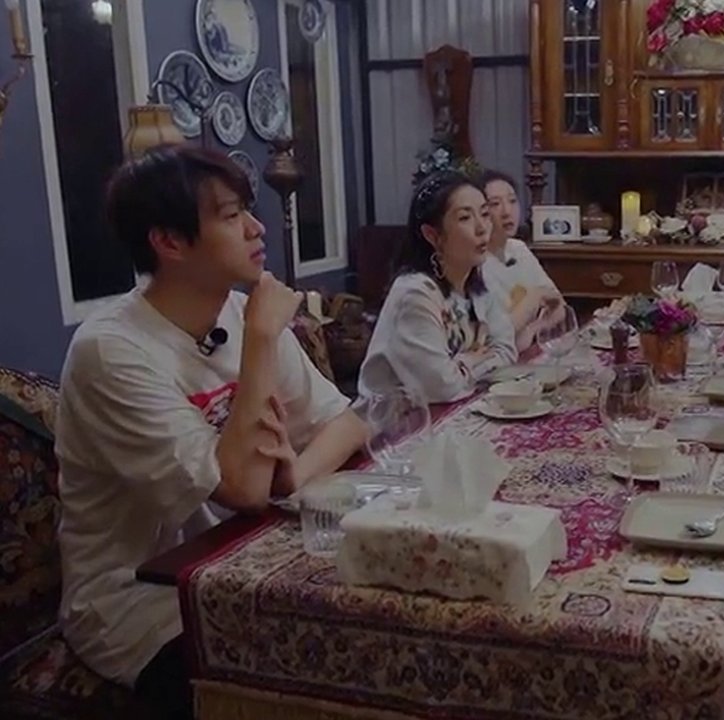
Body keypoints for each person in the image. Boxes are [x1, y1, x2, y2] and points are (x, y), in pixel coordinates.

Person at [55, 146, 367, 719]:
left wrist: (294, 475)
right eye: (230, 215)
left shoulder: (239, 313)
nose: (256, 228)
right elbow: (243, 489)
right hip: (142, 605)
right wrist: (261, 342)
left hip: (246, 564)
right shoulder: (112, 351)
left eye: (247, 209)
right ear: (169, 242)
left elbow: (347, 423)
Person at [360, 170, 517, 404]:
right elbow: (445, 387)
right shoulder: (414, 293)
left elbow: (507, 351)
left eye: (485, 214)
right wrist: (473, 359)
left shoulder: (476, 281)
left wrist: (461, 366)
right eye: (465, 218)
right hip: (399, 422)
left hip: (460, 409)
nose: (483, 228)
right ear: (432, 235)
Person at [478, 169, 564, 351]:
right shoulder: (476, 264)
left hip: (532, 350)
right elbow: (498, 335)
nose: (507, 211)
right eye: (495, 204)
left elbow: (559, 306)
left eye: (512, 201)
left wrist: (533, 330)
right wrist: (535, 297)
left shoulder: (519, 249)